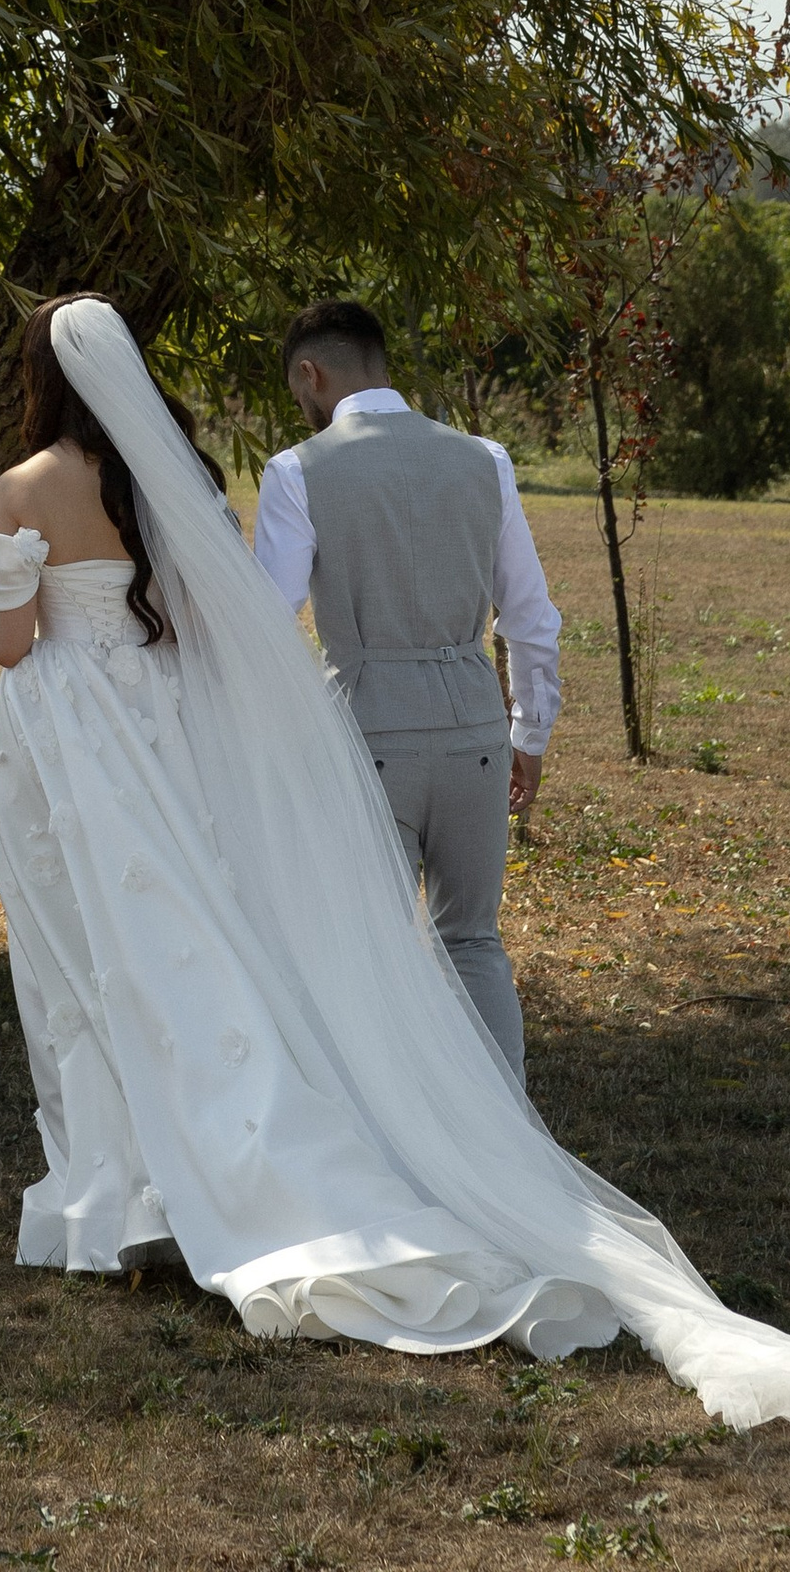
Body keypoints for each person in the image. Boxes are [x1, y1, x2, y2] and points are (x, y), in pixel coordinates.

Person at [0, 296, 790, 1435]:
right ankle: (354, 1144)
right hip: (271, 735)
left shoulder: (57, 485)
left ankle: (148, 1191)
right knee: (281, 948)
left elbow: (15, 637)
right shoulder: (189, 467)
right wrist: (527, 731)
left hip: (137, 744)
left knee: (117, 960)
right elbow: (245, 620)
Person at [251, 294, 558, 1077]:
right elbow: (529, 615)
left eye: (298, 394)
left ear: (312, 375)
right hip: (475, 732)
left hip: (367, 733)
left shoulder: (297, 472)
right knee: (474, 940)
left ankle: (389, 1133)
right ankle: (508, 1132)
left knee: (368, 946)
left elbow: (266, 616)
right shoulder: (484, 459)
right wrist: (530, 732)